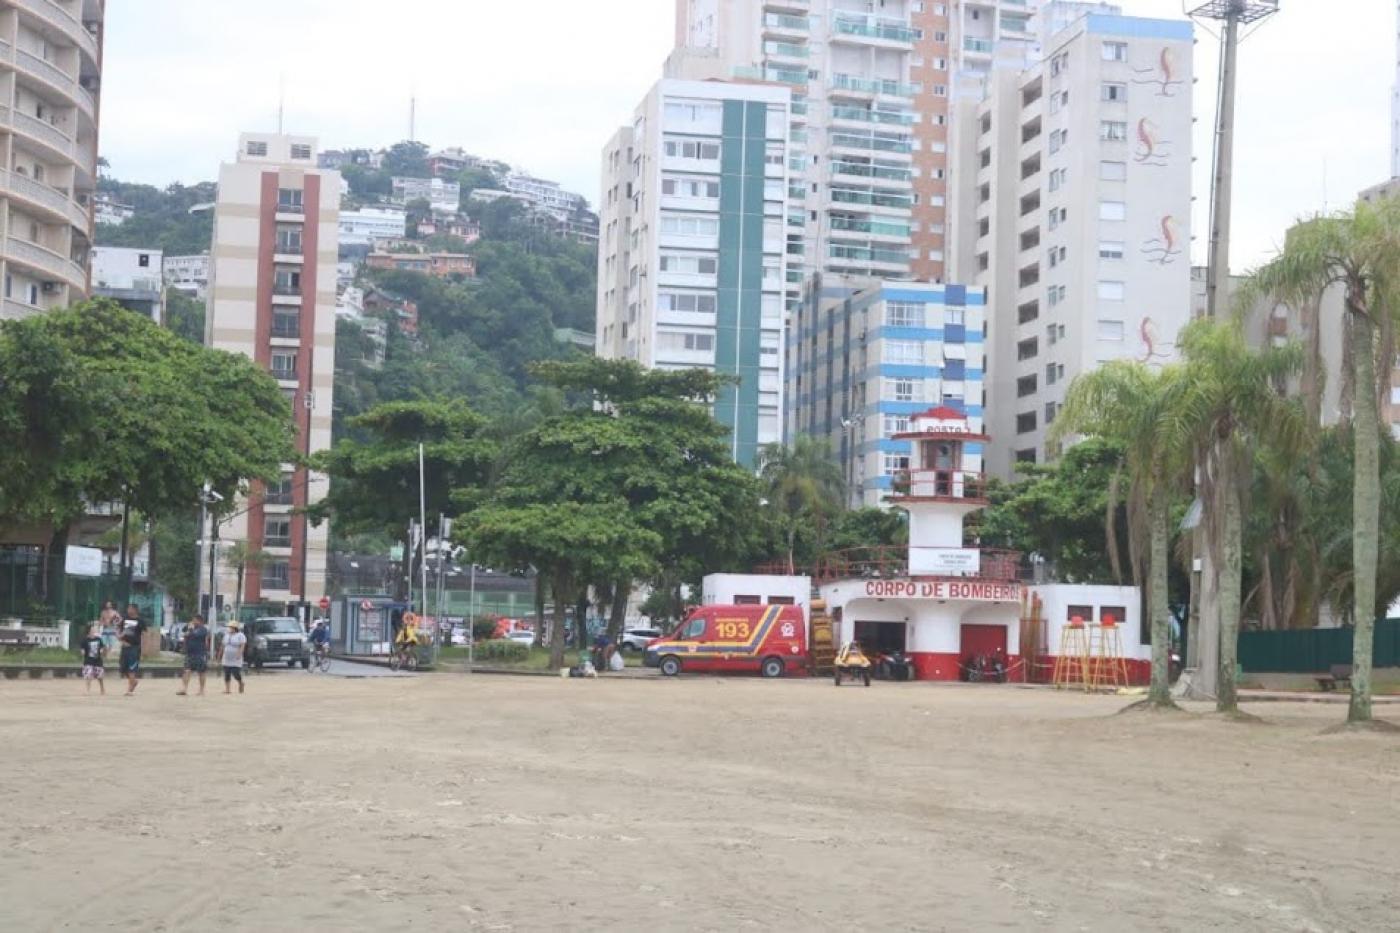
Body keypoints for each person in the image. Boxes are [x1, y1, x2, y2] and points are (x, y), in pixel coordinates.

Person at [177, 615, 210, 696]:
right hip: (190, 653)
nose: (193, 622)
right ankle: (184, 689)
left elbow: (195, 635)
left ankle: (201, 690)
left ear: (200, 621)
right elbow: (183, 630)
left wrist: (190, 631)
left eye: (194, 620)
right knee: (186, 670)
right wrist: (188, 626)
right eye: (192, 620)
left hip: (200, 654)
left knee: (201, 672)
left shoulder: (203, 629)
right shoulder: (191, 628)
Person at [118, 605, 145, 696]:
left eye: (130, 608)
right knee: (123, 668)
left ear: (135, 610)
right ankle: (133, 682)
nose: (128, 610)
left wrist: (143, 649)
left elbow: (144, 635)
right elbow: (119, 630)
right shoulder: (124, 619)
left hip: (134, 647)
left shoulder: (140, 621)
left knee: (132, 668)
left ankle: (130, 689)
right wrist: (120, 638)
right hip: (125, 647)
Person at [222, 620, 247, 694]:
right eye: (229, 627)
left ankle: (240, 682)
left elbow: (242, 645)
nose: (230, 629)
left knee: (235, 672)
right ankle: (227, 689)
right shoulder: (226, 635)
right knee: (227, 673)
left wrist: (239, 653)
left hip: (235, 657)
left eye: (231, 627)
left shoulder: (240, 635)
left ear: (235, 628)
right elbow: (223, 645)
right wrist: (220, 654)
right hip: (227, 657)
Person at [80, 623, 105, 696]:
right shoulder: (85, 640)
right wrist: (82, 652)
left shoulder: (98, 639)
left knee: (100, 677)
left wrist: (101, 650)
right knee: (88, 675)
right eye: (92, 629)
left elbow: (102, 647)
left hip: (98, 660)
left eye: (94, 629)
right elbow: (82, 649)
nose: (94, 630)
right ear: (89, 631)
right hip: (88, 660)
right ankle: (87, 690)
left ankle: (102, 688)